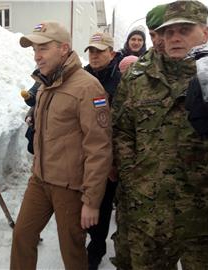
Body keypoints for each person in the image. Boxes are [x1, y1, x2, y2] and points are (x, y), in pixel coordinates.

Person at [113, 1, 208, 269]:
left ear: (205, 33)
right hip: (148, 213)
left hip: (202, 215)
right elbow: (122, 131)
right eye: (168, 31)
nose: (174, 37)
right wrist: (134, 176)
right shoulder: (137, 77)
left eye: (185, 30)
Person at [10, 21, 113, 270]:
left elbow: (99, 147)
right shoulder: (46, 83)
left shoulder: (88, 87)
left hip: (69, 186)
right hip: (40, 180)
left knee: (72, 250)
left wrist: (91, 200)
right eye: (34, 49)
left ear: (64, 49)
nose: (37, 55)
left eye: (43, 48)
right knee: (22, 235)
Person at [110, 4, 168, 269]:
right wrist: (127, 167)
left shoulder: (201, 73)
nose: (162, 39)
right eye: (154, 33)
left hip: (177, 192)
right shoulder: (132, 73)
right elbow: (120, 126)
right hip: (135, 178)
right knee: (130, 242)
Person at [82, 32, 121, 270]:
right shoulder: (81, 75)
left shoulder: (121, 80)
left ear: (112, 53)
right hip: (84, 152)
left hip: (109, 153)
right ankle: (86, 239)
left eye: (100, 51)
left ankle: (96, 247)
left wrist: (114, 161)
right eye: (92, 51)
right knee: (83, 200)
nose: (95, 56)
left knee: (103, 203)